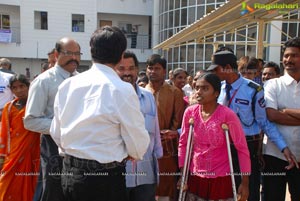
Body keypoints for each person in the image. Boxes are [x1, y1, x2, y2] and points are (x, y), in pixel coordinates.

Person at [50, 26, 150, 201]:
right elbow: (137, 140)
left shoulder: (68, 85)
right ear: (121, 55)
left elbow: (56, 132)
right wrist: (133, 152)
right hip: (104, 178)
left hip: (70, 173)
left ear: (91, 51)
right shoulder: (122, 90)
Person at [207, 50, 297, 201]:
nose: (214, 73)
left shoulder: (253, 90)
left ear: (228, 67)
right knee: (224, 191)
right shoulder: (218, 90)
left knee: (249, 192)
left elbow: (264, 122)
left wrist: (283, 147)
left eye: (216, 69)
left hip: (247, 147)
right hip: (222, 148)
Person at [24, 37, 81, 201]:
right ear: (56, 54)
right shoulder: (44, 81)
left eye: (77, 53)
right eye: (69, 53)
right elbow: (30, 120)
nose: (74, 58)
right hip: (52, 146)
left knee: (75, 191)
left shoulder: (81, 80)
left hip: (79, 148)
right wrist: (62, 128)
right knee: (53, 192)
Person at [178, 73, 251, 201]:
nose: (199, 92)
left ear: (216, 93)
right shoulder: (190, 112)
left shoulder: (227, 115)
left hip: (221, 178)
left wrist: (245, 183)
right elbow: (184, 144)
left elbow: (242, 149)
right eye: (197, 88)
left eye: (205, 88)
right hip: (195, 176)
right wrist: (182, 174)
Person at [115, 50, 163, 201]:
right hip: (118, 177)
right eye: (121, 69)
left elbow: (155, 132)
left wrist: (158, 158)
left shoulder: (148, 97)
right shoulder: (108, 98)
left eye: (131, 68)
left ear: (137, 70)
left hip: (145, 175)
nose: (127, 73)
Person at [263, 37, 300, 201]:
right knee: (272, 197)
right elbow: (272, 115)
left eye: (294, 55)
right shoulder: (273, 85)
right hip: (275, 154)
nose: (288, 60)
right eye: (286, 55)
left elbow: (279, 114)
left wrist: (285, 111)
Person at [145, 54, 185, 201]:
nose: (152, 71)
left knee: (166, 188)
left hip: (167, 148)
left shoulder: (175, 92)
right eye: (150, 68)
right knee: (146, 186)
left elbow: (178, 120)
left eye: (157, 68)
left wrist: (169, 135)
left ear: (164, 71)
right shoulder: (141, 91)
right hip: (144, 148)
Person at [0, 74, 40, 201]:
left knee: (30, 181)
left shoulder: (36, 105)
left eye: (22, 86)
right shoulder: (9, 107)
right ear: (11, 90)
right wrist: (2, 155)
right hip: (14, 152)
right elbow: (4, 133)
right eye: (15, 88)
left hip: (32, 151)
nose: (19, 90)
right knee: (7, 180)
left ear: (28, 87)